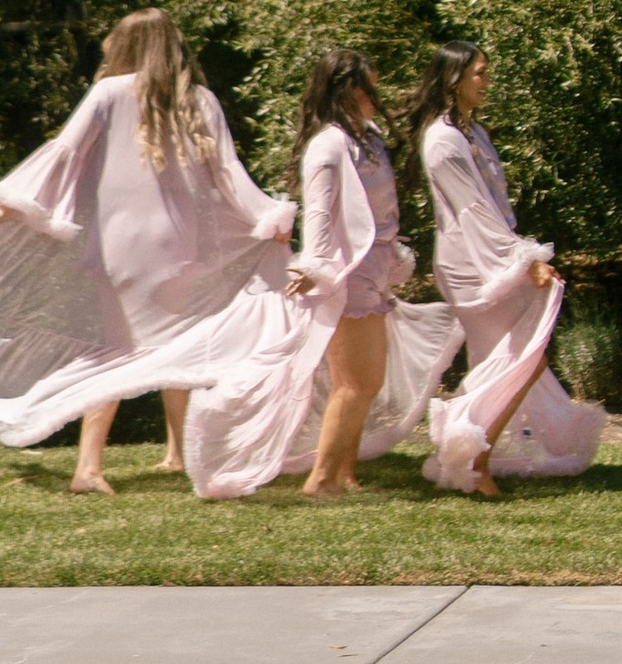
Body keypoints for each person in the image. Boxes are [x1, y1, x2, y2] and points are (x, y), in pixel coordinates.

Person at [0, 9, 292, 488]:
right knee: (180, 341)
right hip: (182, 246)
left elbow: (63, 154)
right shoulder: (201, 100)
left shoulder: (109, 93)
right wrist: (266, 217)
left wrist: (11, 207)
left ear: (126, 46)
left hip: (119, 248)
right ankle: (180, 454)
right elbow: (229, 172)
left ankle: (89, 467)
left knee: (113, 351)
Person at [180, 50, 459, 500]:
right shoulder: (328, 146)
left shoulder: (366, 137)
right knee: (356, 382)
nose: (377, 95)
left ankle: (344, 472)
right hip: (345, 279)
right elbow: (320, 216)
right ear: (348, 89)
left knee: (361, 382)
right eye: (370, 85)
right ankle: (322, 479)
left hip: (372, 272)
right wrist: (316, 267)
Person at [410, 45, 604, 497]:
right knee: (522, 358)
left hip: (488, 255)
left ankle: (472, 452)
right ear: (454, 78)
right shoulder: (443, 140)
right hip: (473, 265)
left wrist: (520, 252)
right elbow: (474, 212)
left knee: (506, 361)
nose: (486, 81)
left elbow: (495, 206)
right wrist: (523, 261)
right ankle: (473, 458)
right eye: (479, 73)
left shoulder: (471, 132)